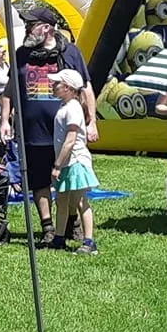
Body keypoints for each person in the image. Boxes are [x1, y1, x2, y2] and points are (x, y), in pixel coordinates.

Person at [9, 8, 94, 245]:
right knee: (39, 180)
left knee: (70, 178)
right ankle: (48, 227)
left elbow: (86, 87)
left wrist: (92, 120)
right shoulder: (21, 55)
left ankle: (71, 223)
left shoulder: (71, 53)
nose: (27, 28)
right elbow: (10, 88)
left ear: (46, 27)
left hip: (65, 132)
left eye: (31, 24)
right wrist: (6, 120)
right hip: (33, 131)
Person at [50, 70, 100, 255]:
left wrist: (57, 165)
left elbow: (70, 140)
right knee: (62, 201)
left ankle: (89, 242)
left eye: (57, 84)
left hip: (75, 161)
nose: (53, 86)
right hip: (67, 163)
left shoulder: (72, 108)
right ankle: (59, 238)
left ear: (68, 88)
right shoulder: (65, 106)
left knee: (80, 202)